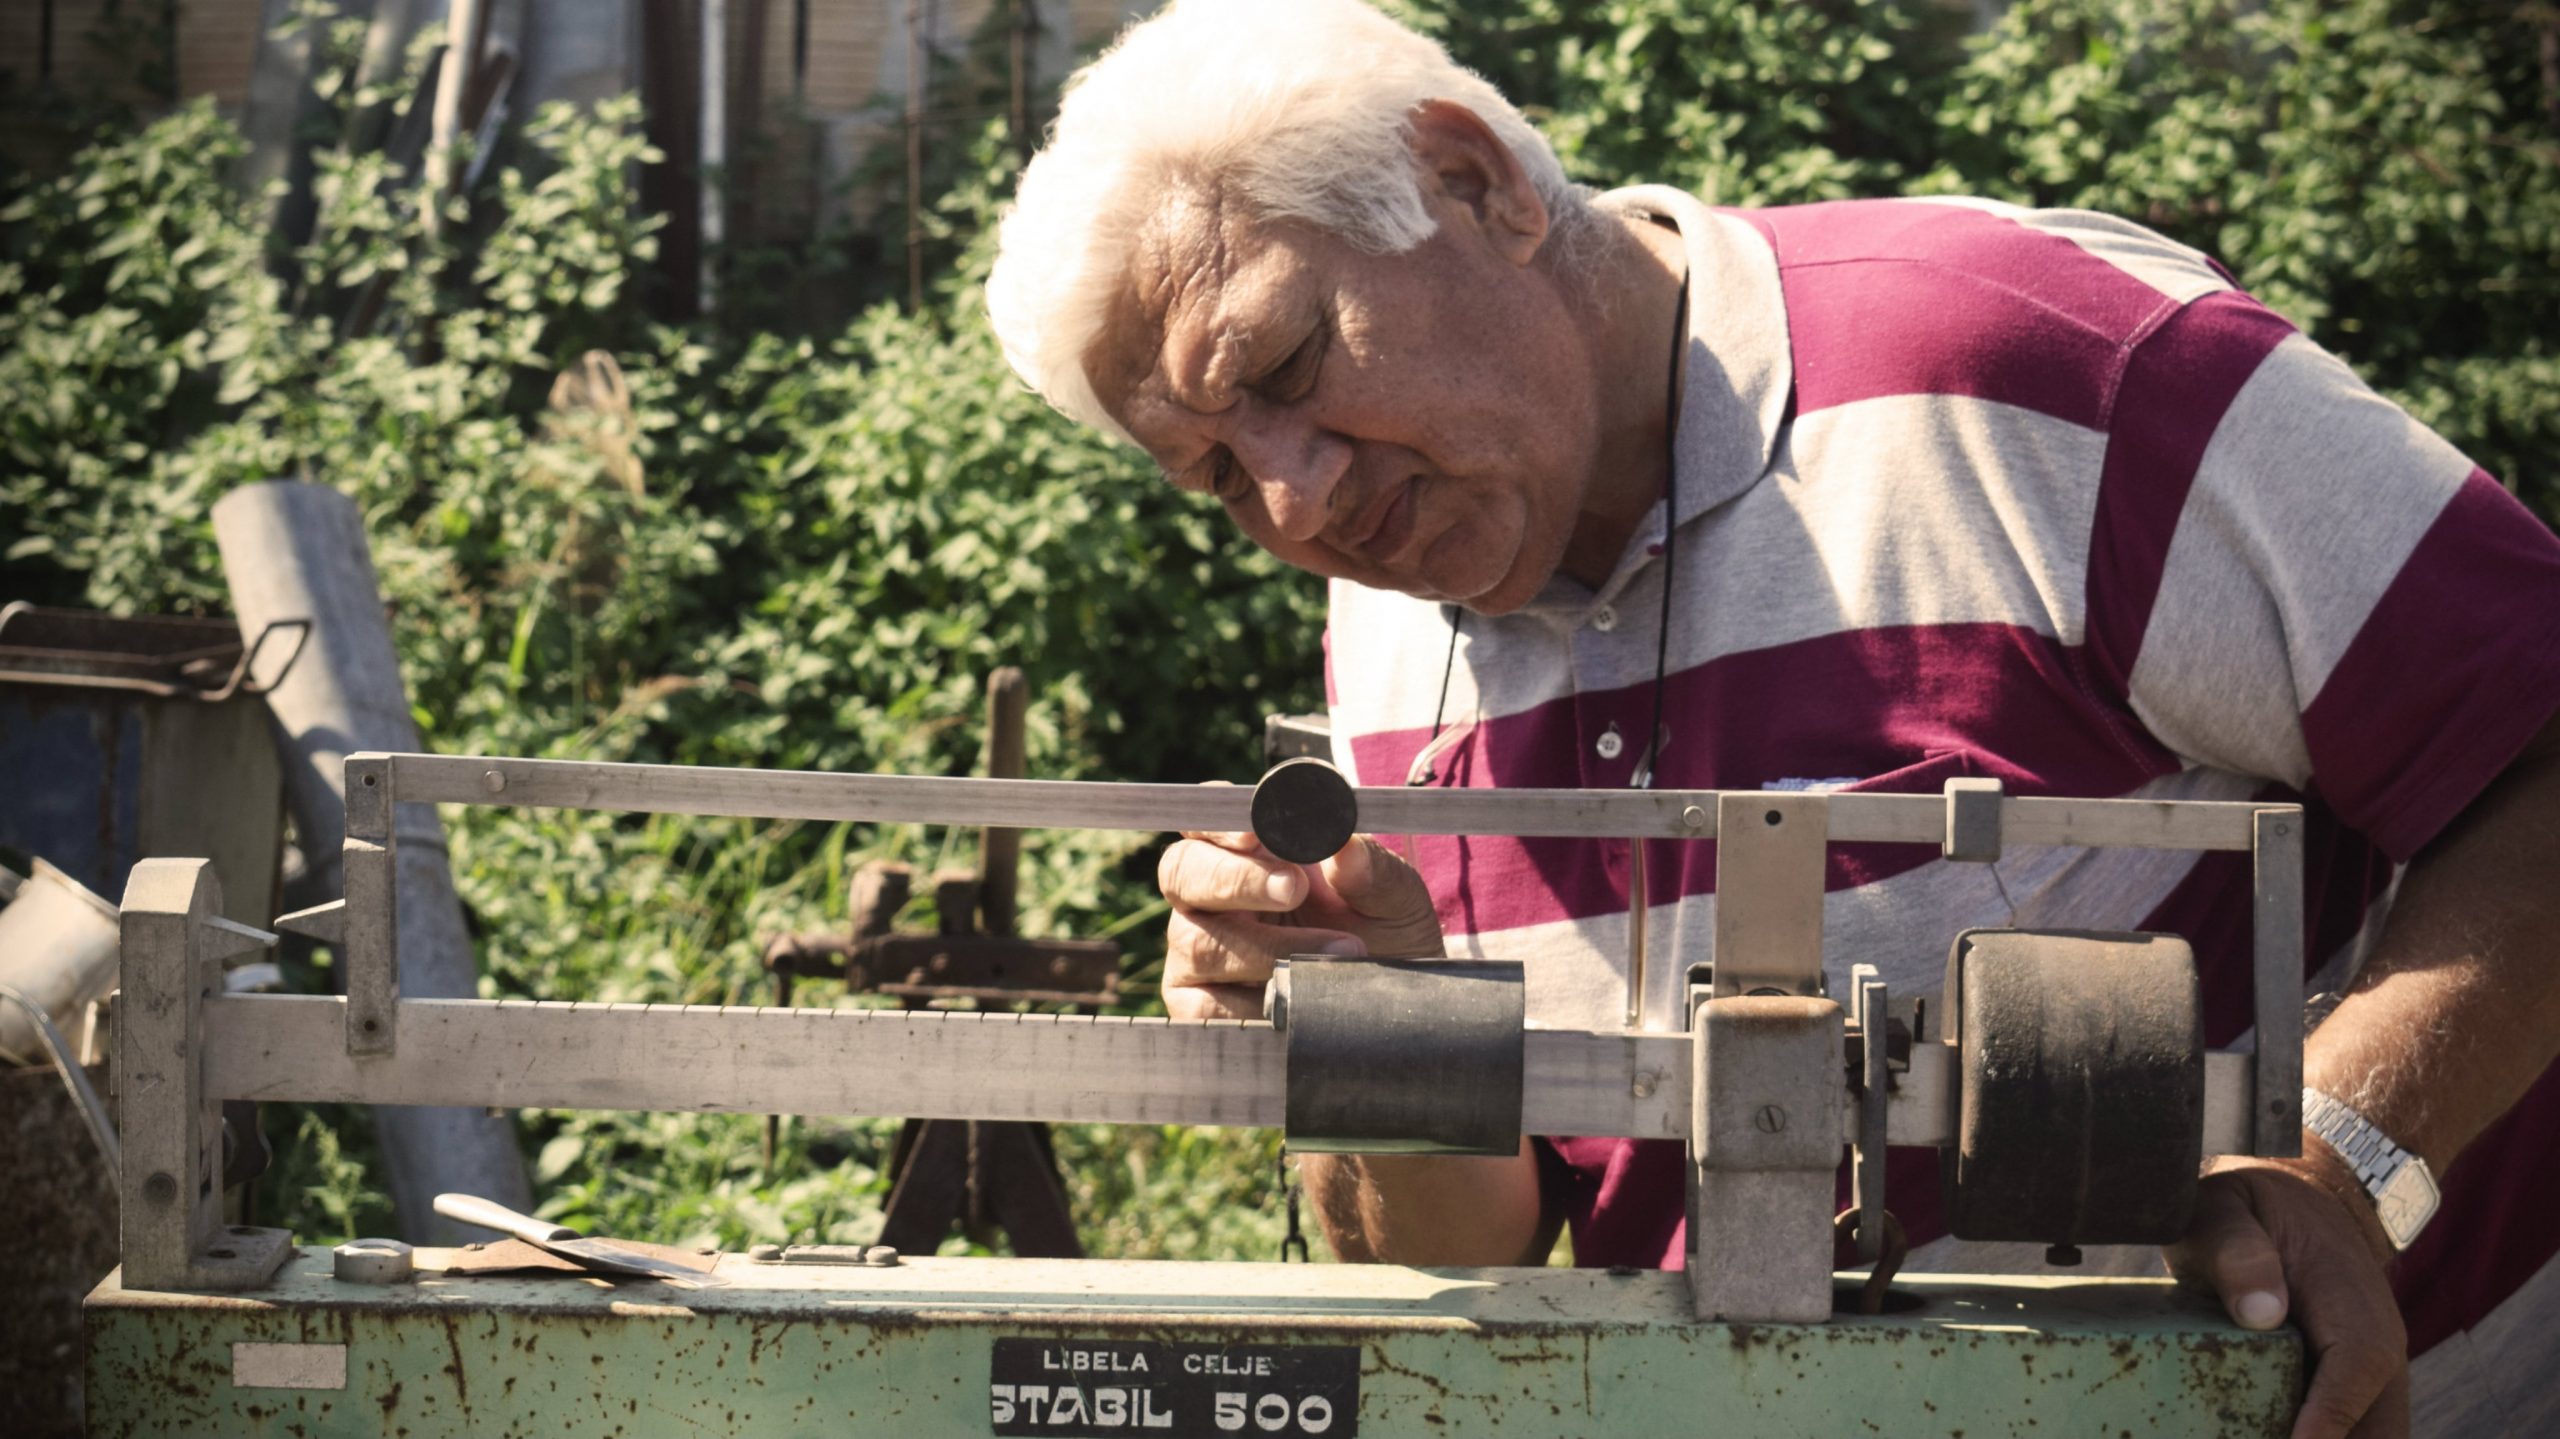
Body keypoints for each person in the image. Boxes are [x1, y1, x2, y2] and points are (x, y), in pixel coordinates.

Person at [984, 2, 2560, 1434]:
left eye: (1283, 363)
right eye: (1214, 473)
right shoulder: (1387, 623)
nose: (1292, 502)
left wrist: (2341, 1158)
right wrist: (1374, 1024)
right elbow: (1488, 1242)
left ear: (1475, 183)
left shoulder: (2027, 371)